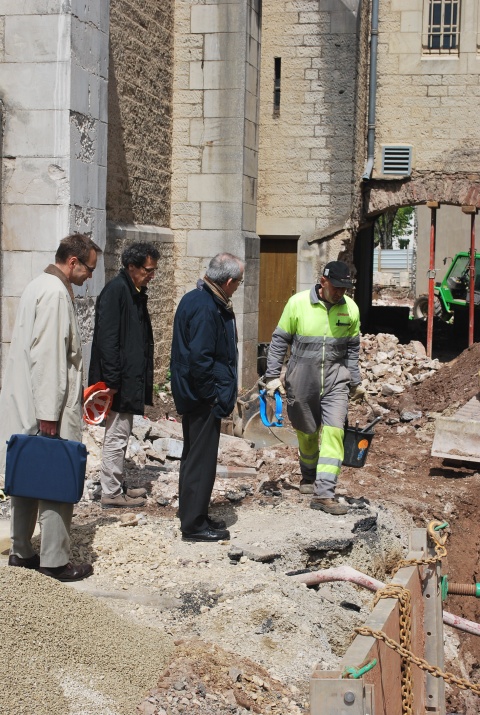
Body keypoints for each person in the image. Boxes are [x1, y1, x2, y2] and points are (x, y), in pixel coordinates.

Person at [0, 233, 101, 580]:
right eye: (89, 269)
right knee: (56, 478)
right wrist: (48, 413)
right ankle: (55, 561)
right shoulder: (57, 293)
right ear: (72, 262)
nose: (90, 276)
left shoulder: (37, 285)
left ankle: (22, 551)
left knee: (28, 475)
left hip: (29, 400)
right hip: (47, 406)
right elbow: (50, 358)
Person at [264, 260, 365, 516]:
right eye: (336, 287)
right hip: (301, 381)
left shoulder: (350, 309)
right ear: (323, 282)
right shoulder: (297, 303)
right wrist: (272, 377)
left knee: (334, 433)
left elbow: (352, 349)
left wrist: (355, 380)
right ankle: (308, 476)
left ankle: (324, 493)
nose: (341, 293)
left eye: (345, 289)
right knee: (307, 433)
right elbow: (279, 341)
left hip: (335, 381)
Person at [170, 253, 244, 542]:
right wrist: (213, 397)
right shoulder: (205, 307)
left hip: (195, 394)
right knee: (201, 460)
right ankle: (194, 526)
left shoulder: (198, 298)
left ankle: (193, 512)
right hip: (201, 397)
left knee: (194, 456)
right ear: (227, 281)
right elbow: (201, 359)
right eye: (238, 282)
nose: (237, 287)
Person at [89, 242, 160, 509]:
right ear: (132, 267)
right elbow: (108, 342)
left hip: (126, 379)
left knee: (122, 433)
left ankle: (116, 485)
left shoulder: (132, 291)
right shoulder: (116, 292)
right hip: (118, 382)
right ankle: (110, 492)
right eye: (148, 270)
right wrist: (113, 382)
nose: (152, 275)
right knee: (117, 435)